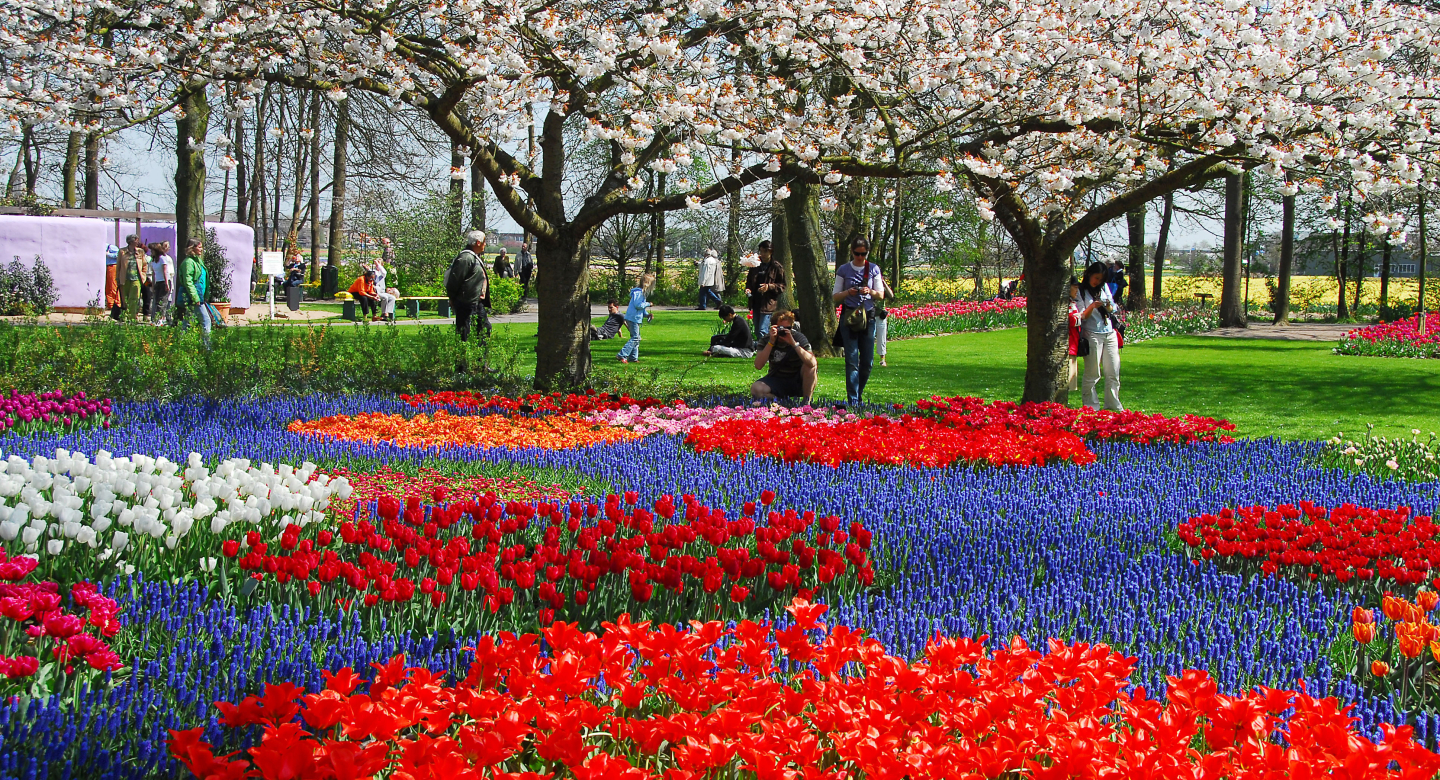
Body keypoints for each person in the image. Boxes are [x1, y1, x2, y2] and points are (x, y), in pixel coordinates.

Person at [832, 237, 885, 405]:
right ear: (852, 252)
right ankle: (853, 400)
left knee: (867, 361)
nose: (860, 257)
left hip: (868, 317)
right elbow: (835, 297)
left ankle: (858, 393)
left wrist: (869, 291)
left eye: (863, 254)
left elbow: (881, 294)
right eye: (857, 254)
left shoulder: (874, 269)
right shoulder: (844, 269)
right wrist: (849, 292)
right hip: (849, 318)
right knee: (852, 359)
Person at [1077, 261, 1123, 411]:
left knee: (1113, 371)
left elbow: (1113, 308)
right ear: (1089, 274)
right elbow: (1082, 315)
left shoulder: (1104, 288)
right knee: (1093, 372)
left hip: (1109, 332)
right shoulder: (1081, 291)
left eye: (1101, 279)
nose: (1097, 282)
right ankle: (1091, 407)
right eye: (1096, 278)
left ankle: (1113, 405)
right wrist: (1092, 306)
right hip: (1091, 333)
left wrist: (1107, 304)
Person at [751, 310, 816, 405]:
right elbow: (758, 365)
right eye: (781, 328)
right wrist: (771, 342)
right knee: (756, 389)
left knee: (810, 366)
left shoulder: (798, 337)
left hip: (798, 379)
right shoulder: (766, 339)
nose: (784, 331)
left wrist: (793, 344)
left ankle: (806, 402)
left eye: (788, 328)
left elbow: (812, 363)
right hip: (777, 378)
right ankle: (783, 402)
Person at [446, 230, 490, 343]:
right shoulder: (466, 258)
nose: (486, 244)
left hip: (476, 302)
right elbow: (454, 281)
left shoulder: (474, 257)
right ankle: (463, 359)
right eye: (484, 242)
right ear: (478, 243)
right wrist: (452, 298)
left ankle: (480, 359)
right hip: (466, 303)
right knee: (464, 333)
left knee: (485, 329)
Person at [745, 240, 785, 344]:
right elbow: (749, 281)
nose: (762, 254)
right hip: (755, 301)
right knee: (758, 330)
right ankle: (763, 350)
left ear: (771, 252)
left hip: (768, 303)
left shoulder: (776, 267)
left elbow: (782, 286)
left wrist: (769, 287)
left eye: (765, 252)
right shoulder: (755, 265)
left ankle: (765, 352)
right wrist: (748, 289)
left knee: (763, 330)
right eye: (761, 251)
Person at [178, 238, 212, 347]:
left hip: (198, 296)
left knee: (188, 322)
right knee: (206, 321)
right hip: (193, 297)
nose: (201, 249)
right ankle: (207, 347)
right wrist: (195, 298)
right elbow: (188, 281)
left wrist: (205, 295)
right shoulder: (188, 263)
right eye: (199, 247)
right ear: (192, 248)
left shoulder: (197, 260)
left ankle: (182, 345)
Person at [617, 272, 654, 363]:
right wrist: (648, 304)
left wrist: (647, 315)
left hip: (635, 317)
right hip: (633, 318)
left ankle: (633, 358)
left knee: (636, 338)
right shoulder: (639, 293)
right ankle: (622, 355)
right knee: (635, 338)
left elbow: (640, 309)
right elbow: (638, 305)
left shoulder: (641, 293)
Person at [116, 234, 146, 322]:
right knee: (124, 299)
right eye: (136, 240)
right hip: (124, 279)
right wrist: (117, 278)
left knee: (134, 298)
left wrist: (143, 275)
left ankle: (132, 317)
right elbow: (118, 266)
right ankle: (125, 316)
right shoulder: (122, 251)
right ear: (131, 241)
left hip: (136, 279)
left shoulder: (140, 252)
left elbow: (144, 265)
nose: (138, 241)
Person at [147, 241, 174, 326]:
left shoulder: (163, 258)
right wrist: (153, 284)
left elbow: (165, 271)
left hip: (164, 281)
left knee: (162, 301)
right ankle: (156, 318)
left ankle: (161, 318)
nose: (151, 252)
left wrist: (166, 284)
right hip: (158, 282)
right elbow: (154, 273)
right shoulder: (154, 260)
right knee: (156, 300)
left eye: (152, 250)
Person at [1066, 278, 1084, 392]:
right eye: (1075, 287)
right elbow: (1071, 320)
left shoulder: (1072, 302)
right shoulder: (1066, 304)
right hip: (1069, 342)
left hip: (1074, 341)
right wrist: (1080, 317)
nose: (1077, 290)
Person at [371, 255, 397, 322]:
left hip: (382, 291)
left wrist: (379, 265)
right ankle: (384, 314)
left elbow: (384, 272)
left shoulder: (382, 272)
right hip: (376, 291)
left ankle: (389, 313)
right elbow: (371, 275)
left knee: (392, 298)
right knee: (385, 297)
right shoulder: (373, 271)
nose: (377, 264)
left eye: (379, 263)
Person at [103, 244, 121, 319]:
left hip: (112, 266)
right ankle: (110, 304)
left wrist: (108, 254)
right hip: (107, 266)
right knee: (108, 286)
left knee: (113, 285)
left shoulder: (110, 247)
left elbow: (119, 254)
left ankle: (116, 304)